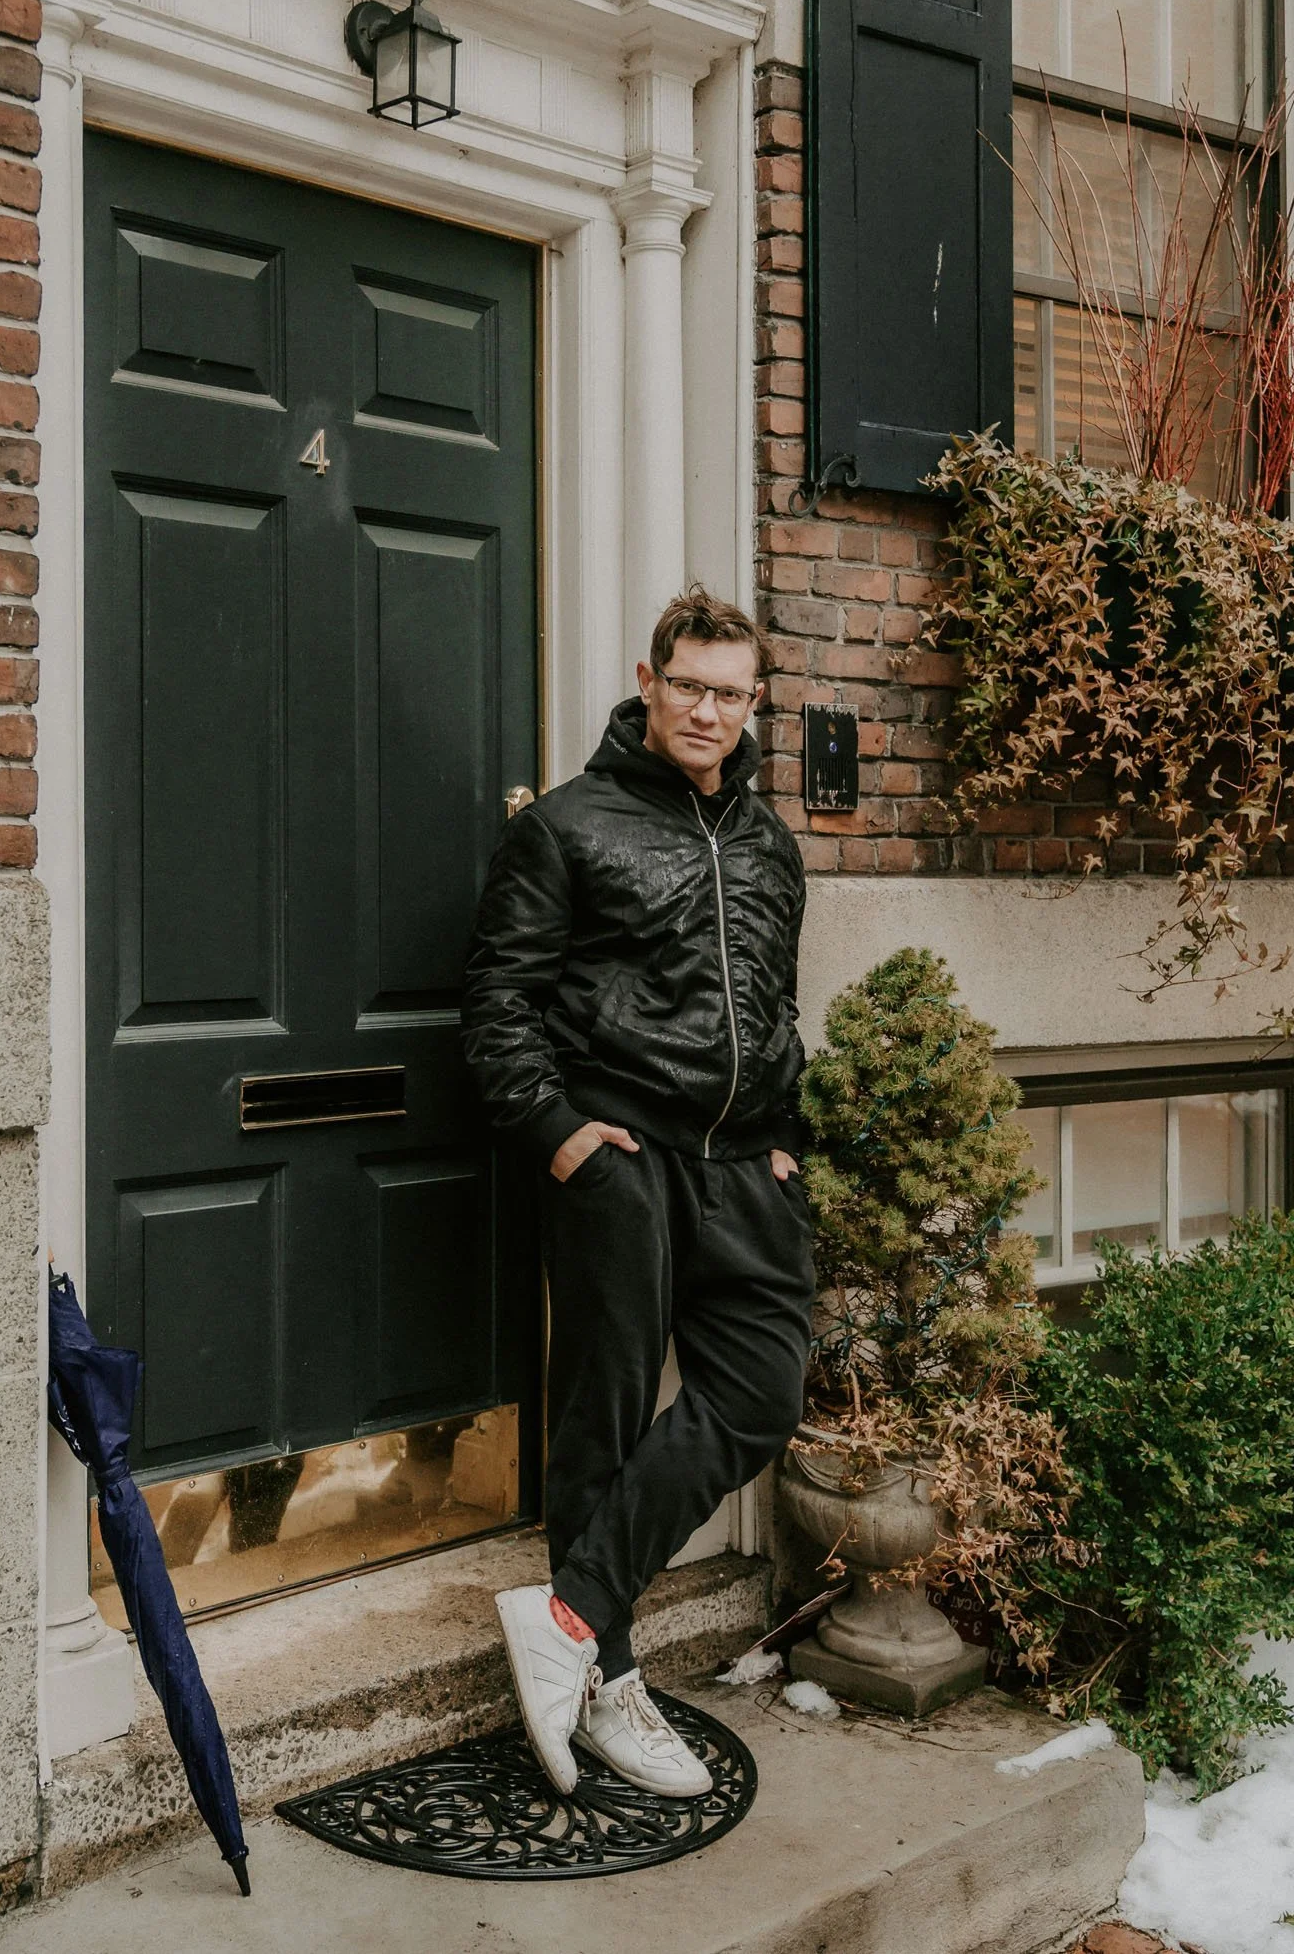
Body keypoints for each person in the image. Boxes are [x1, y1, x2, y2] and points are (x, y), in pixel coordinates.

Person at [461, 586, 814, 1800]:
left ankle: (561, 1619)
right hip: (620, 1153)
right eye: (688, 685)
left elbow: (774, 999)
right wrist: (561, 1135)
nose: (707, 709)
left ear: (752, 700)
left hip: (742, 1161)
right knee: (603, 1417)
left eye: (730, 691)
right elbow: (498, 1003)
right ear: (646, 681)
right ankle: (607, 1682)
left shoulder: (768, 840)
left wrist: (783, 1127)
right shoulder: (565, 826)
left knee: (761, 1389)